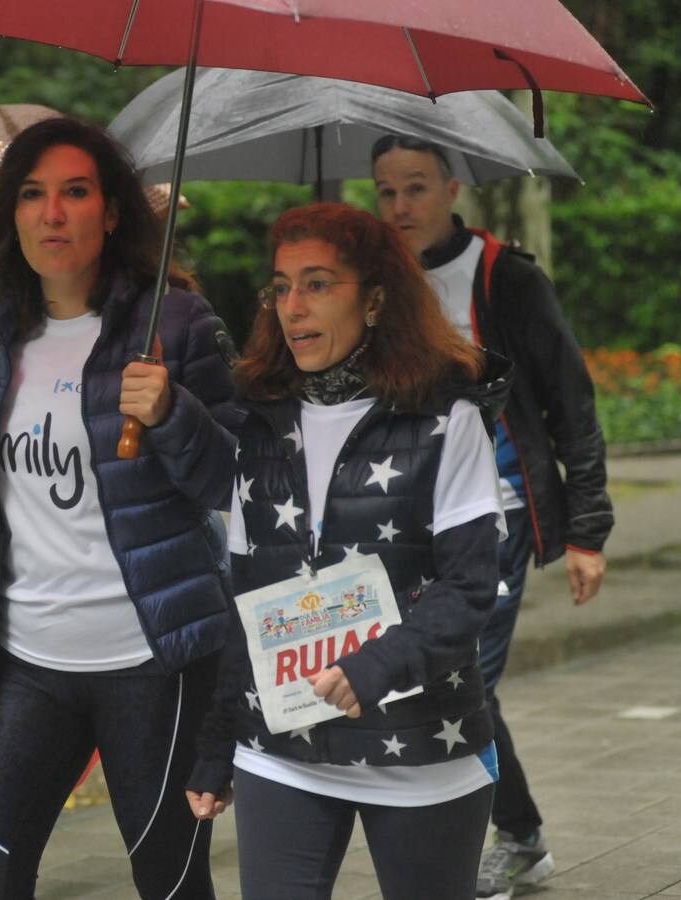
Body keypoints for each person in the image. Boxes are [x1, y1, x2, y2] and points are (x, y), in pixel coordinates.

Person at [0, 116, 238, 900]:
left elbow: (239, 481)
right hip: (26, 660)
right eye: (32, 195)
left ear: (113, 210)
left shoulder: (178, 324)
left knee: (168, 884)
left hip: (150, 662)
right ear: (11, 215)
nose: (51, 214)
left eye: (74, 192)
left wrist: (171, 416)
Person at [187, 202, 510, 899]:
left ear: (374, 300)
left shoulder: (447, 420)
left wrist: (373, 668)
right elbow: (245, 605)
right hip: (284, 753)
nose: (292, 308)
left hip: (422, 749)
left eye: (318, 284)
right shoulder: (260, 428)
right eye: (280, 287)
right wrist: (217, 743)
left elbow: (469, 589)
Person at [371, 135, 614, 900]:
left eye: (415, 188)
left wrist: (587, 532)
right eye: (385, 192)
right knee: (449, 681)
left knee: (461, 676)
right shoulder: (373, 281)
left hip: (497, 517)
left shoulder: (504, 279)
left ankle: (483, 846)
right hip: (405, 525)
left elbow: (571, 402)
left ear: (451, 189)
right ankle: (523, 836)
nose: (400, 206)